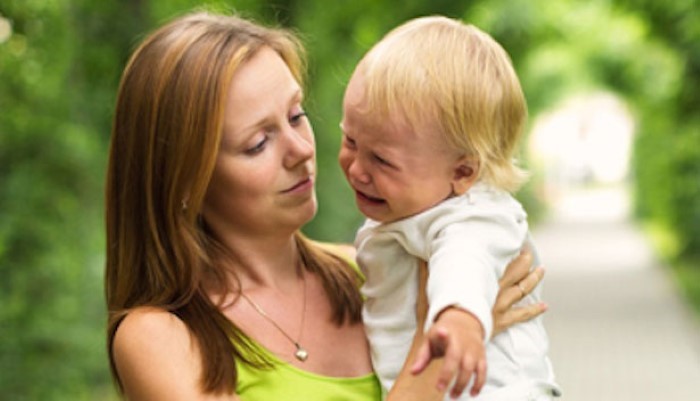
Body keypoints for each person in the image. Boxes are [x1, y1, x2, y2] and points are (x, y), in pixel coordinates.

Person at [105, 11, 546, 401]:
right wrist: (432, 359)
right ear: (185, 178)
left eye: (296, 115)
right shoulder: (160, 338)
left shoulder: (370, 272)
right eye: (258, 143)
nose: (300, 149)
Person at [339, 16, 561, 401]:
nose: (357, 168)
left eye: (382, 160)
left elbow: (465, 260)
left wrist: (461, 319)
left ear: (463, 171)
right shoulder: (412, 208)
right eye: (350, 141)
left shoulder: (475, 215)